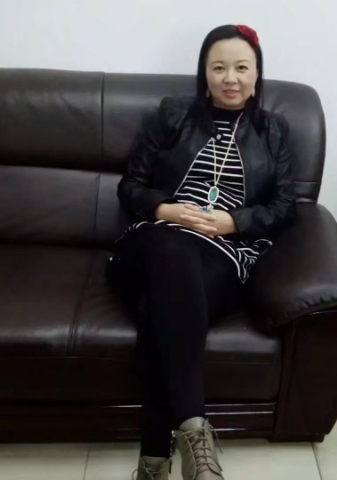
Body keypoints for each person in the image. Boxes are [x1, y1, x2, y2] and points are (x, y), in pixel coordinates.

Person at [112, 24, 296, 480]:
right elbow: (130, 185)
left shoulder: (274, 131)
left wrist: (235, 222)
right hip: (153, 241)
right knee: (171, 250)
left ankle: (154, 460)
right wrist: (166, 209)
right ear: (204, 73)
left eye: (241, 67)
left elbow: (286, 206)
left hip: (222, 257)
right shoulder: (173, 115)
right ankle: (196, 431)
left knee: (160, 312)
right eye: (219, 68)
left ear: (256, 74)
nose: (230, 78)